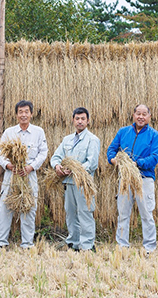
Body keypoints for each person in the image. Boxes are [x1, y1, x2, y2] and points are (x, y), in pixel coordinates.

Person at [107, 104, 158, 254]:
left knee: (146, 213)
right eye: (138, 113)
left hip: (144, 178)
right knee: (123, 213)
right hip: (125, 179)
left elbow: (155, 158)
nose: (141, 116)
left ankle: (149, 247)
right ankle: (122, 245)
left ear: (149, 117)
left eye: (144, 114)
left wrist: (136, 164)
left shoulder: (155, 136)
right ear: (133, 115)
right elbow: (111, 149)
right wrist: (113, 160)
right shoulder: (123, 132)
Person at [0, 100, 48, 250]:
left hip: (29, 175)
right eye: (20, 112)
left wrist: (31, 167)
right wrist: (9, 165)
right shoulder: (9, 132)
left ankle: (27, 244)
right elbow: (1, 155)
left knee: (29, 207)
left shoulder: (38, 132)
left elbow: (43, 153)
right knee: (5, 206)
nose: (23, 115)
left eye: (26, 112)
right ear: (16, 114)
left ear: (31, 114)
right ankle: (1, 243)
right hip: (11, 175)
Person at [50, 107, 100, 252]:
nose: (80, 121)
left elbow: (92, 163)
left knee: (85, 213)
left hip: (84, 183)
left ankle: (88, 246)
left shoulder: (92, 140)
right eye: (77, 119)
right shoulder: (67, 140)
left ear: (88, 121)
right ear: (73, 120)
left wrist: (74, 170)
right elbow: (56, 156)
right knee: (71, 213)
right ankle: (74, 243)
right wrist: (57, 166)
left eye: (83, 119)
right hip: (68, 183)